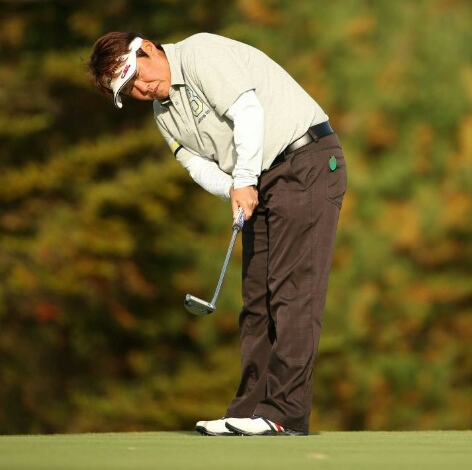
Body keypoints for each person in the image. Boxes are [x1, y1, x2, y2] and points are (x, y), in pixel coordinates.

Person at [87, 32, 347, 436]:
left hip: (305, 162)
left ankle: (285, 414)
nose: (142, 88)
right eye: (130, 88)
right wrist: (233, 188)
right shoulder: (163, 115)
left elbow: (248, 112)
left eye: (137, 74)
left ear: (148, 48)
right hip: (261, 180)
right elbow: (196, 165)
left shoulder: (200, 53)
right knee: (257, 300)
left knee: (292, 293)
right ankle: (249, 411)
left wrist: (243, 179)